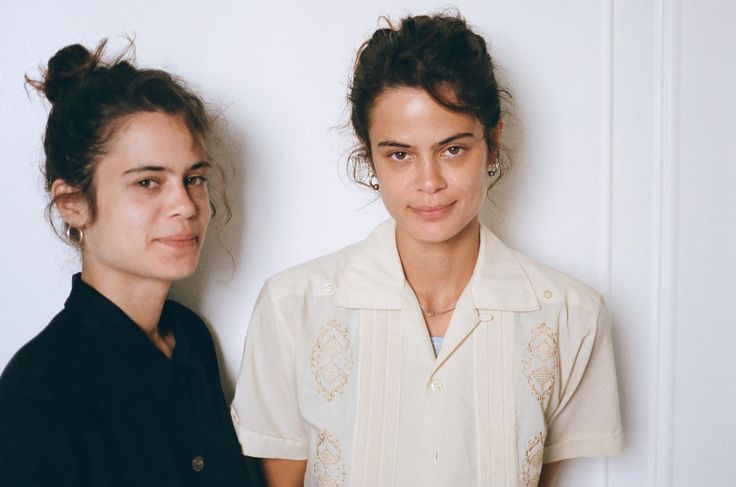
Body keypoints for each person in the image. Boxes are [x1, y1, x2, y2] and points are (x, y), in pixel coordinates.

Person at [231, 13, 623, 487]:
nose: (429, 182)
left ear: (493, 142)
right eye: (400, 154)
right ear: (369, 154)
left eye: (453, 149)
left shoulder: (570, 316)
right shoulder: (293, 307)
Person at [0, 41, 261, 486]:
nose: (186, 205)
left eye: (193, 178)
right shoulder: (38, 390)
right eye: (147, 182)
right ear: (72, 203)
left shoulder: (190, 338)